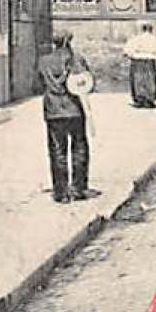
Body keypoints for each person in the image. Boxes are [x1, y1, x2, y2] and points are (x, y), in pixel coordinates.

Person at [37, 32, 94, 203]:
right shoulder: (77, 60)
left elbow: (37, 83)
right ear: (69, 41)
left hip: (53, 111)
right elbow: (89, 82)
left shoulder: (44, 61)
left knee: (57, 150)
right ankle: (78, 189)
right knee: (79, 148)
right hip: (75, 109)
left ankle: (61, 192)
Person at [123, 22, 156, 108]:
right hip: (149, 60)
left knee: (138, 80)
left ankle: (139, 98)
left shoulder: (136, 38)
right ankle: (149, 98)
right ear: (151, 30)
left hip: (137, 60)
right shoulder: (154, 39)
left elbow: (127, 50)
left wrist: (131, 55)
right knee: (150, 80)